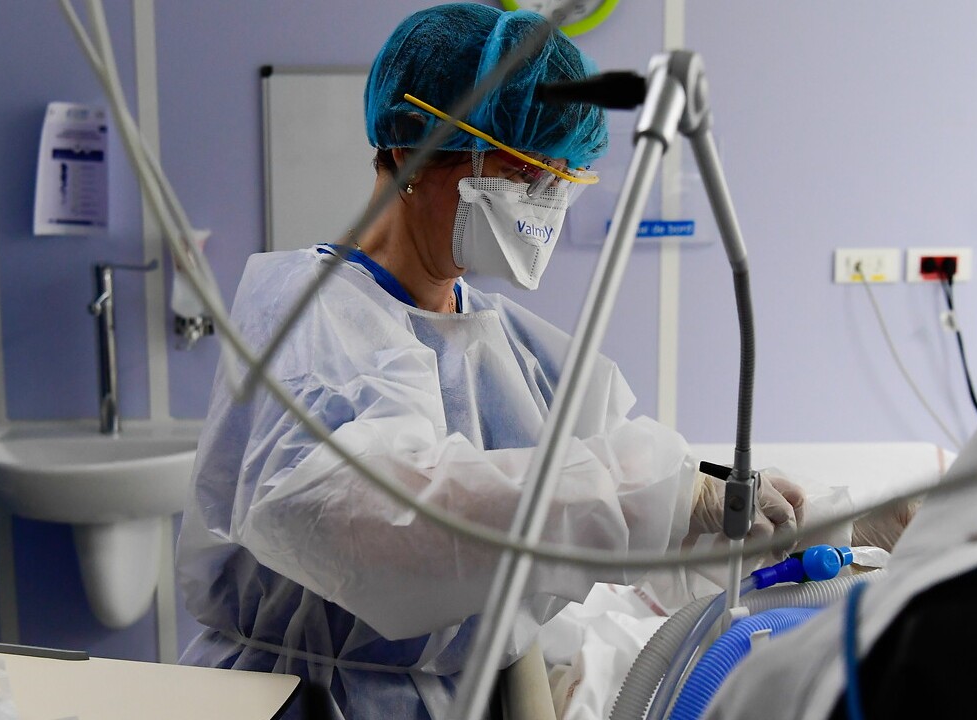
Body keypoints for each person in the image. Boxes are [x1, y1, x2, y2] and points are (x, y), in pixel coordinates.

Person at [176, 5, 809, 719]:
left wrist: (803, 521)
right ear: (411, 149)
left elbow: (629, 481)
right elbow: (375, 521)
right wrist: (656, 497)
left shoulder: (510, 343)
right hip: (305, 697)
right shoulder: (307, 315)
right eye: (521, 172)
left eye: (560, 179)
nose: (543, 202)